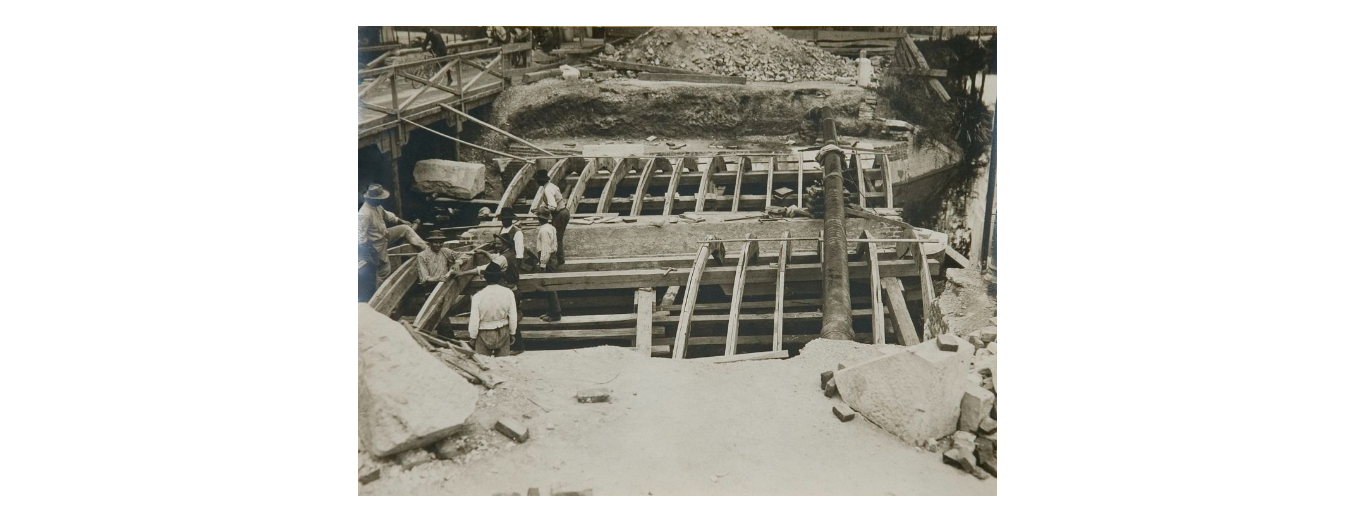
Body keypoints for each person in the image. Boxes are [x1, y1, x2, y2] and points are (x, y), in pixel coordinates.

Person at [358, 183, 427, 289]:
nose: (382, 200)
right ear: (372, 199)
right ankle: (379, 298)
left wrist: (401, 220)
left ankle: (426, 249)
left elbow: (388, 215)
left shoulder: (376, 205)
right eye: (379, 199)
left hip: (385, 235)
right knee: (384, 270)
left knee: (405, 228)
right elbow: (360, 238)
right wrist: (370, 254)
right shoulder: (364, 214)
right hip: (375, 244)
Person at [468, 262, 517, 357]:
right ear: (500, 278)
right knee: (503, 363)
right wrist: (512, 333)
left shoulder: (478, 296)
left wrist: (473, 336)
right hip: (503, 330)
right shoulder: (508, 293)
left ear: (485, 278)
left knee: (483, 362)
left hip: (484, 332)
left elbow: (474, 319)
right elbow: (513, 316)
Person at [529, 169, 569, 266]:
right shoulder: (551, 186)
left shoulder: (547, 189)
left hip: (559, 214)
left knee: (556, 238)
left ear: (540, 180)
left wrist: (541, 212)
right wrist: (541, 207)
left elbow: (552, 206)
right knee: (557, 237)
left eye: (537, 180)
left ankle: (558, 261)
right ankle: (559, 260)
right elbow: (547, 202)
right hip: (563, 211)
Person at [533, 209, 563, 322]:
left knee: (549, 287)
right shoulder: (551, 228)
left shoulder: (544, 231)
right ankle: (552, 310)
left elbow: (546, 248)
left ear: (539, 219)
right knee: (549, 286)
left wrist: (543, 264)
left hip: (548, 259)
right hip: (552, 257)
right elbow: (554, 244)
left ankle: (556, 313)